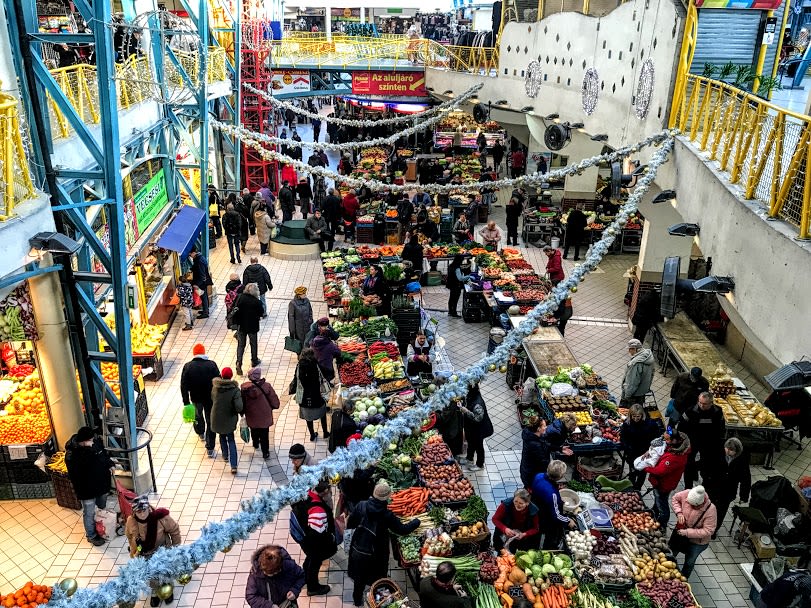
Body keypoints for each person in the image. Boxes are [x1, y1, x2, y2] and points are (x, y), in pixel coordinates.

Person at [347, 483, 420, 606]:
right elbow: (402, 530)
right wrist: (416, 522)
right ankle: (378, 599)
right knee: (379, 577)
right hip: (377, 552)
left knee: (359, 577)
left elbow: (351, 522)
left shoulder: (361, 505)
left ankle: (357, 600)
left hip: (359, 547)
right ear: (386, 498)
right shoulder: (387, 515)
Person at [125, 495, 182, 606]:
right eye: (139, 511)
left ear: (148, 508)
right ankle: (155, 592)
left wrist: (175, 548)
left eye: (144, 510)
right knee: (151, 576)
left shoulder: (160, 518)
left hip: (162, 551)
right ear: (134, 512)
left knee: (165, 573)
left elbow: (174, 529)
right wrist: (133, 552)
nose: (142, 514)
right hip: (144, 554)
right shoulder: (131, 521)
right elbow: (129, 536)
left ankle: (167, 591)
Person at [65, 426, 114, 546]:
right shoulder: (72, 454)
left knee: (102, 506)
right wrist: (88, 450)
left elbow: (103, 455)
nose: (93, 441)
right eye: (90, 440)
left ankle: (101, 526)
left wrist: (110, 464)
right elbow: (78, 471)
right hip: (86, 489)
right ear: (83, 441)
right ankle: (91, 535)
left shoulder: (95, 442)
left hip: (101, 484)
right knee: (89, 511)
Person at [291, 480, 336, 596]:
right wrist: (330, 539)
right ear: (325, 491)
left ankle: (305, 575)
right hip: (313, 543)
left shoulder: (305, 494)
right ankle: (313, 587)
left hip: (305, 536)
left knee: (310, 560)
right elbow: (318, 534)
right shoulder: (318, 510)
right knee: (315, 562)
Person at [678, 391, 727, 489]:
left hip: (709, 443)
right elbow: (681, 427)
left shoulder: (717, 412)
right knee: (689, 464)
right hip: (692, 442)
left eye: (704, 404)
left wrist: (719, 443)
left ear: (711, 403)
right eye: (699, 402)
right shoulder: (690, 411)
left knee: (707, 464)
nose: (701, 405)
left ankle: (705, 484)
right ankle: (688, 487)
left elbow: (721, 428)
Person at [704, 437, 750, 539]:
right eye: (727, 448)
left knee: (720, 512)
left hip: (727, 492)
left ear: (737, 451)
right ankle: (704, 525)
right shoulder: (718, 453)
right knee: (707, 507)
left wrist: (744, 496)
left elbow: (746, 479)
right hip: (713, 487)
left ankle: (713, 530)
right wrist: (706, 479)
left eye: (731, 450)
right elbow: (707, 465)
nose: (728, 451)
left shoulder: (742, 460)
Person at [644, 430, 691, 529]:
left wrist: (645, 467)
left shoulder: (675, 457)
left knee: (662, 503)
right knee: (659, 500)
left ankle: (662, 523)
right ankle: (654, 512)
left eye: (668, 440)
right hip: (666, 482)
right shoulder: (675, 449)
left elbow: (660, 471)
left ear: (675, 441)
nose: (666, 441)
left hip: (664, 484)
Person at [180, 343, 221, 454]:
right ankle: (210, 447)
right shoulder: (212, 365)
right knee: (210, 420)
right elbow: (218, 381)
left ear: (194, 353)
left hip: (195, 398)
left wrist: (186, 401)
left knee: (197, 415)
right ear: (203, 353)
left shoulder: (188, 366)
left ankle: (200, 432)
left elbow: (184, 385)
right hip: (210, 399)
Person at [670, 485, 717, 579]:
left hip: (697, 542)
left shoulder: (710, 510)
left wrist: (687, 532)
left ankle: (683, 580)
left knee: (689, 562)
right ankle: (668, 571)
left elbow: (709, 530)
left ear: (700, 504)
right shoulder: (687, 493)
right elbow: (675, 499)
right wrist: (679, 512)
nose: (690, 506)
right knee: (671, 553)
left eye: (693, 505)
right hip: (680, 534)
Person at [531, 460, 576, 549]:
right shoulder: (552, 495)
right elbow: (556, 515)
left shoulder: (538, 476)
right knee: (548, 536)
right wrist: (568, 520)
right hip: (545, 518)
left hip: (536, 507)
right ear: (560, 476)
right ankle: (546, 548)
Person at [240, 366, 280, 460]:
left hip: (251, 414)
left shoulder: (244, 388)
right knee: (264, 433)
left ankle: (255, 443)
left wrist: (242, 411)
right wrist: (275, 405)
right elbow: (273, 398)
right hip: (264, 414)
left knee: (254, 429)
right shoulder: (266, 386)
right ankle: (265, 452)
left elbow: (242, 401)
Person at [211, 367, 243, 474]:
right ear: (231, 376)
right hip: (229, 418)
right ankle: (233, 465)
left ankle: (225, 455)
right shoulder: (235, 390)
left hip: (217, 417)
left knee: (221, 435)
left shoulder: (215, 388)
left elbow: (212, 399)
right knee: (231, 440)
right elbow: (239, 407)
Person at [620, 404, 661, 490]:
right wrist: (627, 448)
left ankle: (637, 488)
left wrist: (650, 450)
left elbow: (657, 438)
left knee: (642, 472)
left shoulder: (650, 424)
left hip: (645, 452)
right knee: (632, 470)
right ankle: (630, 486)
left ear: (642, 415)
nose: (635, 418)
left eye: (638, 416)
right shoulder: (627, 424)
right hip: (632, 452)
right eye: (633, 416)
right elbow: (623, 437)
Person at [294, 348, 330, 441]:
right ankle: (325, 432)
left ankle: (312, 435)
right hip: (316, 394)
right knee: (322, 414)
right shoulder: (315, 364)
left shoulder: (299, 366)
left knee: (308, 416)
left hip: (304, 396)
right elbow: (324, 373)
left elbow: (297, 379)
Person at [458, 382, 493, 471]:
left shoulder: (478, 403)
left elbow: (478, 419)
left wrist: (466, 411)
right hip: (471, 428)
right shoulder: (471, 396)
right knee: (471, 442)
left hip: (479, 429)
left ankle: (480, 465)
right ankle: (469, 458)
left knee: (479, 446)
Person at [232, 283, 264, 376]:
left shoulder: (240, 297)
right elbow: (261, 313)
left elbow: (233, 307)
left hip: (241, 325)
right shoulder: (256, 302)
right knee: (253, 343)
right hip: (252, 326)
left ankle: (239, 363)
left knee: (241, 345)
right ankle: (254, 360)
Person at [620, 338, 654, 406]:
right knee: (638, 412)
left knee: (628, 413)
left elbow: (632, 382)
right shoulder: (649, 357)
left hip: (634, 395)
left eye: (630, 349)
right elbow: (652, 374)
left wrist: (626, 396)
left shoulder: (636, 363)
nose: (629, 351)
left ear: (635, 349)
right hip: (642, 392)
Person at [519, 416, 550, 488]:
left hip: (526, 471)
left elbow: (546, 445)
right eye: (544, 426)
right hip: (531, 476)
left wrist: (560, 448)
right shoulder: (535, 445)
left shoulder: (531, 434)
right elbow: (543, 462)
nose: (546, 427)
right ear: (538, 429)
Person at [189, 247, 212, 319]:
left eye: (190, 255)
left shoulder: (199, 261)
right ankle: (205, 310)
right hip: (202, 281)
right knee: (204, 296)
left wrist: (197, 284)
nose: (190, 256)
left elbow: (202, 275)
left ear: (193, 253)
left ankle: (205, 313)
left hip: (201, 282)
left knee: (203, 296)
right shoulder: (200, 257)